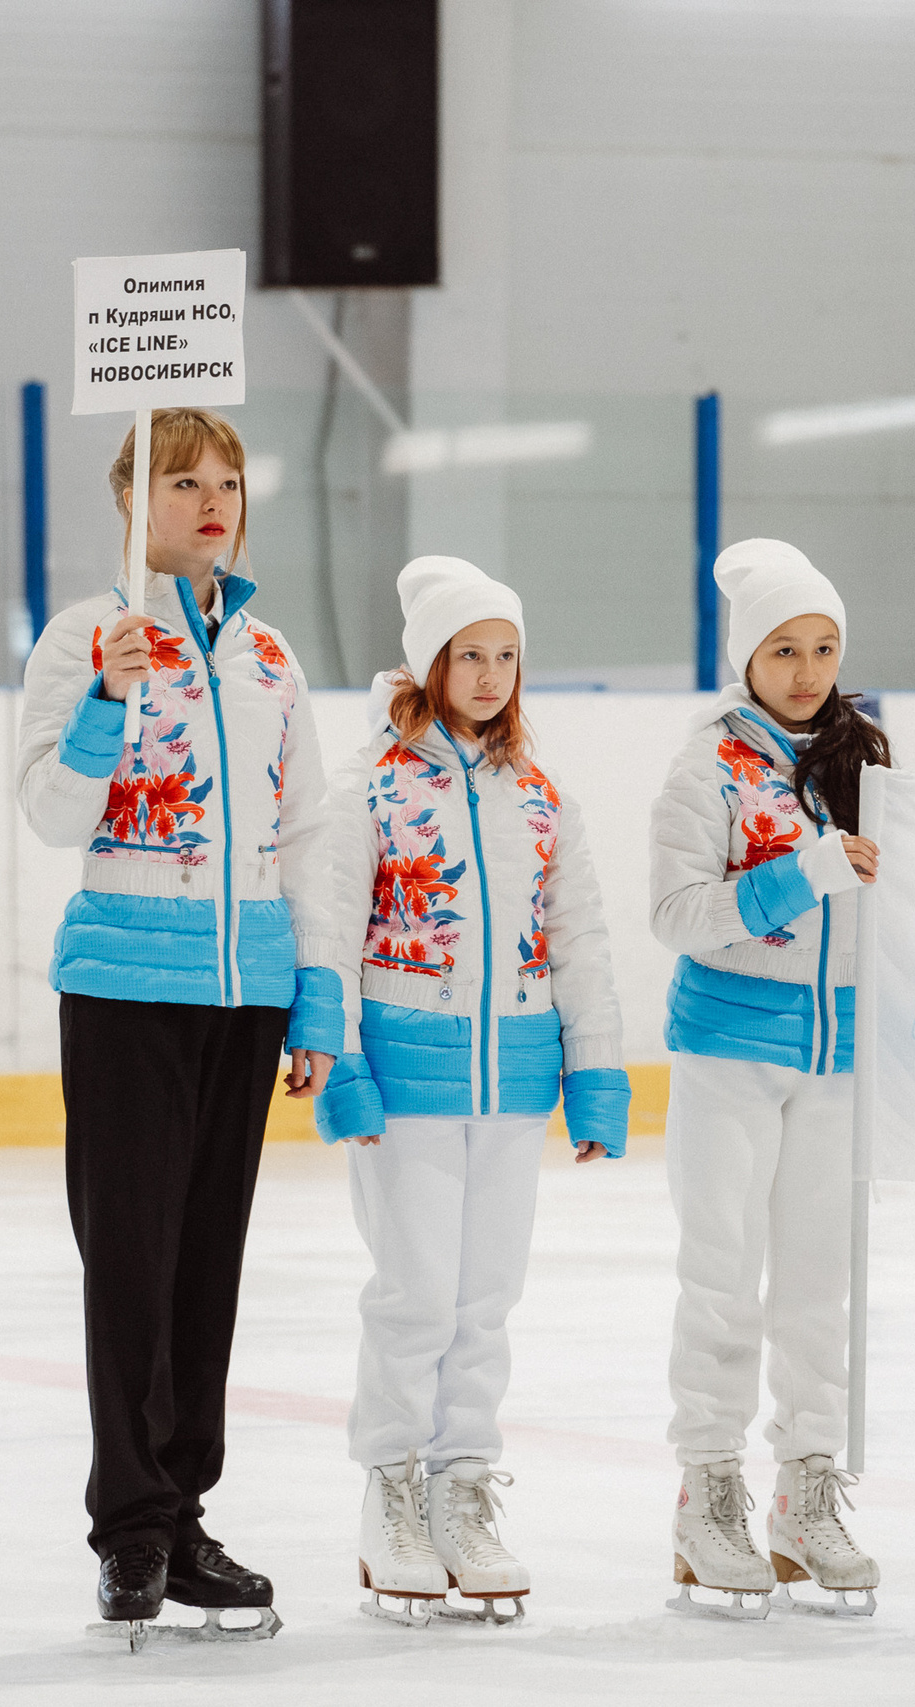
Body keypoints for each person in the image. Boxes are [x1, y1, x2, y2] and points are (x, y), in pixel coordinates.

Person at [13, 406, 341, 1646]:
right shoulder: (81, 639)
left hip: (244, 992)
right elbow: (50, 811)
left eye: (230, 483)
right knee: (131, 1266)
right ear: (131, 503)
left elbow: (306, 829)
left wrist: (314, 990)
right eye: (184, 481)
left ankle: (184, 1510)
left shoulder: (268, 658)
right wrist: (106, 693)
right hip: (124, 991)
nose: (213, 502)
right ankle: (132, 1524)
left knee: (208, 1265)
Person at [309, 557, 631, 1625]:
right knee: (413, 1294)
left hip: (514, 1084)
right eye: (469, 655)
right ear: (427, 664)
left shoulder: (541, 799)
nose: (490, 676)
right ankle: (391, 1487)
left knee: (484, 1301)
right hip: (405, 1082)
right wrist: (339, 1066)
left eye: (506, 657)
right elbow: (330, 931)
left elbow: (580, 943)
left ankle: (462, 1484)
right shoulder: (368, 785)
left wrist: (595, 1075)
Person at [648, 539, 889, 1619]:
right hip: (729, 1054)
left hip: (840, 1062)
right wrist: (806, 872)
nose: (805, 669)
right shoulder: (706, 767)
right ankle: (708, 1493)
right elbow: (679, 915)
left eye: (823, 647)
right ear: (746, 656)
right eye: (784, 648)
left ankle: (807, 1492)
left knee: (816, 1290)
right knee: (721, 1275)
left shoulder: (868, 758)